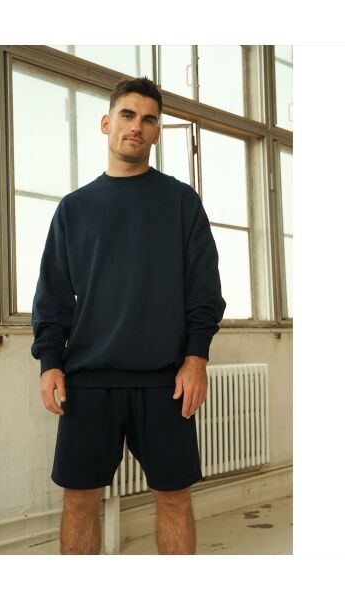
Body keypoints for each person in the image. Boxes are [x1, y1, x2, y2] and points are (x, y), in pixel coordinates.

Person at [31, 76, 226, 554]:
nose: (137, 126)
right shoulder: (74, 209)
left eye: (148, 119)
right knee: (79, 500)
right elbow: (52, 296)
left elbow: (204, 290)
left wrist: (196, 358)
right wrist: (49, 363)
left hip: (165, 381)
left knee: (174, 498)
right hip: (88, 381)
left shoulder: (181, 203)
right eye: (127, 114)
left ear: (157, 132)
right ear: (106, 123)